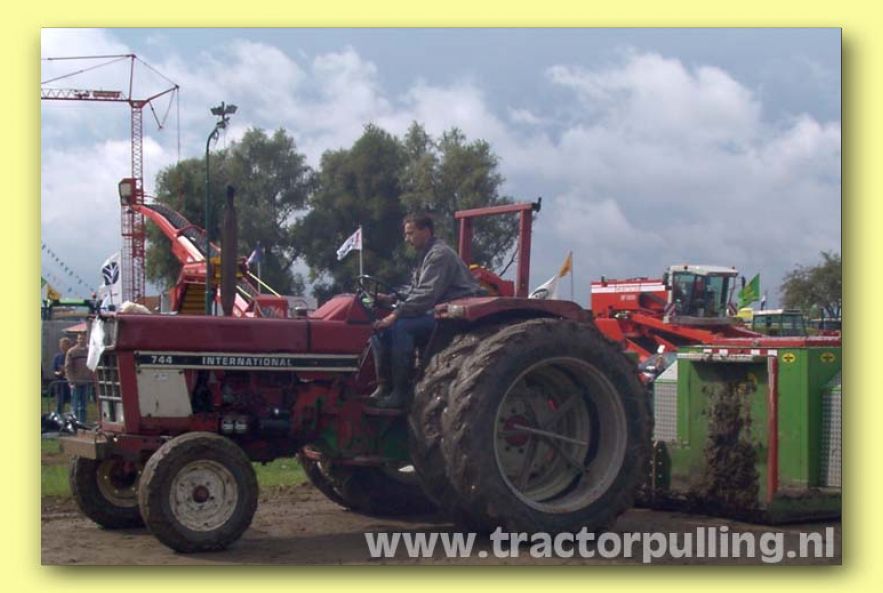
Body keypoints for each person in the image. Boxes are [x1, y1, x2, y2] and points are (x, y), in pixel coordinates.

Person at [368, 213, 482, 408]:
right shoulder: (426, 255)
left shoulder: (440, 255)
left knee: (401, 327)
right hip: (435, 309)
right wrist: (389, 298)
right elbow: (416, 289)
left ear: (426, 231)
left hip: (452, 315)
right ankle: (385, 386)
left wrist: (395, 314)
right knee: (378, 330)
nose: (407, 239)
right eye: (406, 234)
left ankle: (401, 392)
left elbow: (427, 294)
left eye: (410, 233)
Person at [64, 332, 92, 423]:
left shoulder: (90, 351)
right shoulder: (72, 351)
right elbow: (67, 367)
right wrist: (71, 381)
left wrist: (91, 378)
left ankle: (82, 423)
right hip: (75, 382)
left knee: (84, 406)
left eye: (83, 338)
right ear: (77, 340)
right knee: (74, 406)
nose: (81, 340)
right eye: (80, 338)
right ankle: (74, 423)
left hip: (86, 382)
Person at [52, 337, 73, 415]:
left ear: (69, 345)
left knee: (72, 403)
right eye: (61, 345)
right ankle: (59, 417)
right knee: (60, 403)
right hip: (60, 384)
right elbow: (54, 370)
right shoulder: (57, 357)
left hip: (70, 383)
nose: (63, 347)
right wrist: (59, 373)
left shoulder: (72, 355)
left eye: (65, 345)